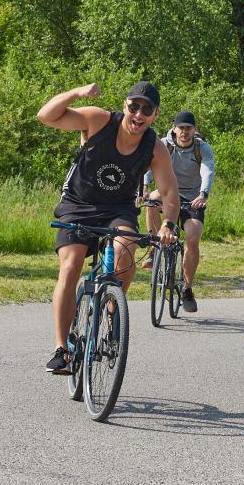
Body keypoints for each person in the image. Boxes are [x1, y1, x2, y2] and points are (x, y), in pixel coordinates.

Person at [38, 81, 179, 373]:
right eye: (134, 106)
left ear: (155, 115)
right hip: (78, 204)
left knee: (127, 245)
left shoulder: (155, 147)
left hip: (118, 210)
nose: (138, 115)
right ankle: (61, 349)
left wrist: (168, 223)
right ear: (125, 105)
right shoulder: (98, 120)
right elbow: (46, 116)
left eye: (147, 110)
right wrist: (76, 93)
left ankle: (113, 309)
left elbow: (169, 192)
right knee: (71, 266)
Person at [141, 110, 215, 312]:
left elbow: (207, 170)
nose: (184, 132)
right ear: (174, 129)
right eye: (181, 128)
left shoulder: (202, 148)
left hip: (192, 199)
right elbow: (149, 166)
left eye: (188, 128)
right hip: (167, 193)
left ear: (194, 129)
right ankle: (154, 247)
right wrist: (144, 187)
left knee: (193, 237)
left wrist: (203, 194)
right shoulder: (163, 144)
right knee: (151, 202)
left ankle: (187, 289)